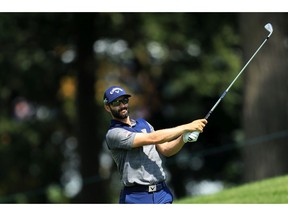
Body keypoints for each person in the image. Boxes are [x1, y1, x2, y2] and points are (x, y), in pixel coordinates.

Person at [103, 85, 208, 204]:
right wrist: (187, 127)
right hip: (136, 197)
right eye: (116, 102)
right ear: (107, 107)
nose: (122, 105)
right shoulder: (114, 134)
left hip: (162, 193)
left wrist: (183, 138)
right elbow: (152, 138)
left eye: (124, 100)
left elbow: (166, 149)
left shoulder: (144, 124)